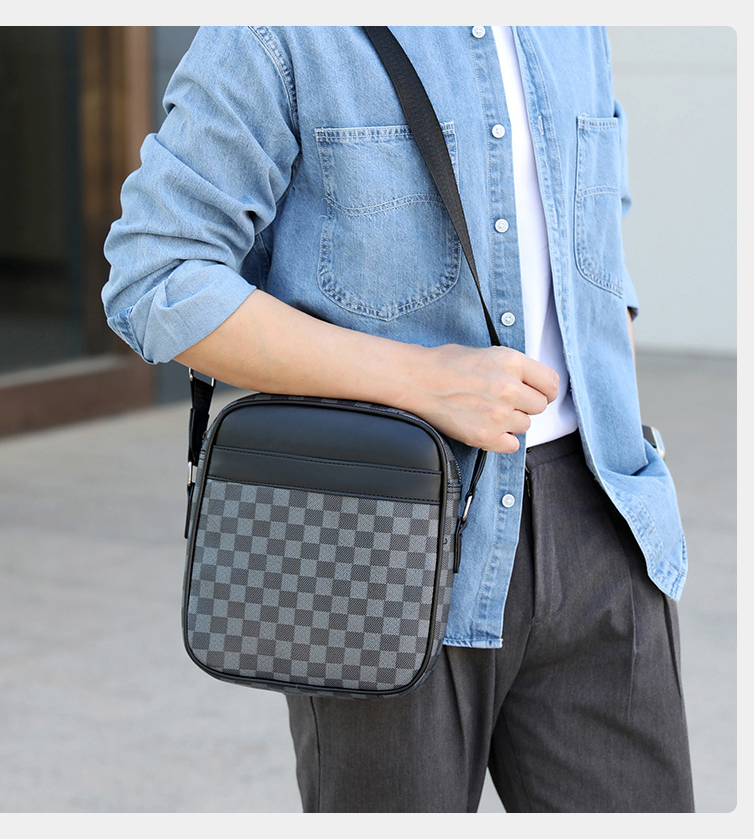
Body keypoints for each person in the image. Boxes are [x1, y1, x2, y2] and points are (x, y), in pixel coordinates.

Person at [102, 26, 694, 812]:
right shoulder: (279, 31)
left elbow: (595, 227)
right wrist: (421, 381)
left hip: (601, 517)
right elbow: (156, 276)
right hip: (378, 539)